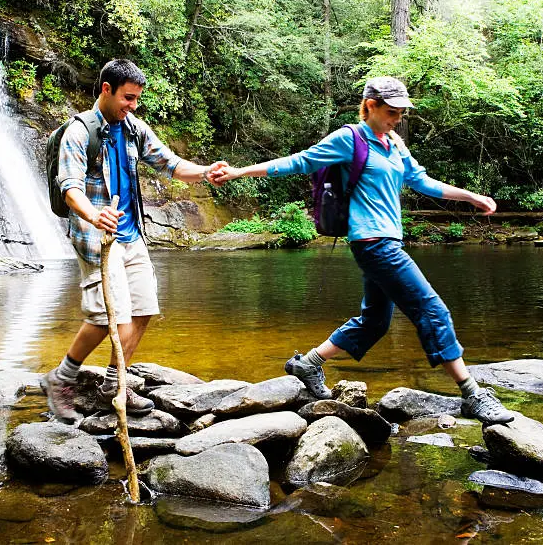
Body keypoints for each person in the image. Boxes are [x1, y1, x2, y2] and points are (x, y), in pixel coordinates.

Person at [214, 76, 513, 425]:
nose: (396, 118)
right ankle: (472, 395)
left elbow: (422, 182)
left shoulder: (395, 145)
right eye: (391, 112)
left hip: (389, 241)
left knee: (374, 322)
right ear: (370, 106)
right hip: (373, 243)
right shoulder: (349, 139)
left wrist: (471, 196)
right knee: (432, 310)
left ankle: (307, 364)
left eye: (401, 113)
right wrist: (238, 173)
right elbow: (299, 161)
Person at [43, 59, 226, 424]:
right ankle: (60, 379)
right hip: (97, 238)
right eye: (127, 98)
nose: (132, 106)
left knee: (143, 309)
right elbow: (69, 188)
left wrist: (205, 172)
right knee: (107, 317)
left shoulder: (134, 129)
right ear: (106, 89)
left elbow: (171, 165)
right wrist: (93, 215)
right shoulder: (79, 132)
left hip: (131, 235)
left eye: (137, 99)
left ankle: (115, 385)